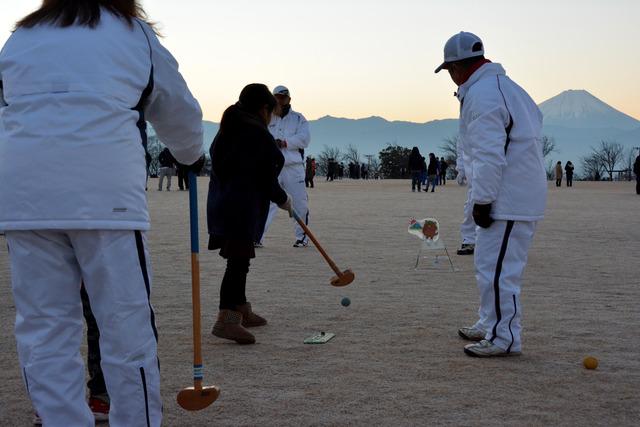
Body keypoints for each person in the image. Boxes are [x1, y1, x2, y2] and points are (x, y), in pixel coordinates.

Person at [0, 1, 205, 425]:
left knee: (43, 328)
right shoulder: (135, 34)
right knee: (124, 324)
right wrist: (190, 154)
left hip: (26, 198)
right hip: (107, 198)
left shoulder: (21, 37)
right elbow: (179, 110)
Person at [436, 31, 547, 357]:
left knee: (500, 270)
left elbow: (488, 154)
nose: (451, 78)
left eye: (450, 71)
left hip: (507, 197)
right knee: (489, 265)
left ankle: (505, 338)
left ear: (457, 68)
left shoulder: (484, 95)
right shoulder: (509, 89)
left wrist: (483, 201)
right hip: (512, 192)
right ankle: (490, 322)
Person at [207, 84, 292, 344]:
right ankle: (226, 319)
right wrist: (282, 198)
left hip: (226, 202)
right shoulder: (253, 130)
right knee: (237, 260)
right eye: (271, 111)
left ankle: (241, 307)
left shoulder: (232, 123)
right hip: (239, 205)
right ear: (263, 108)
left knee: (241, 258)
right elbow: (264, 172)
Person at [259, 85, 311, 247]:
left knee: (299, 203)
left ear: (289, 99)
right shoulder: (267, 118)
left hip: (293, 168)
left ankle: (302, 237)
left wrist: (285, 143)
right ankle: (257, 236)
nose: (280, 100)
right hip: (271, 167)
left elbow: (305, 139)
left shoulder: (298, 118)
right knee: (266, 202)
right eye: (277, 97)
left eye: (283, 97)